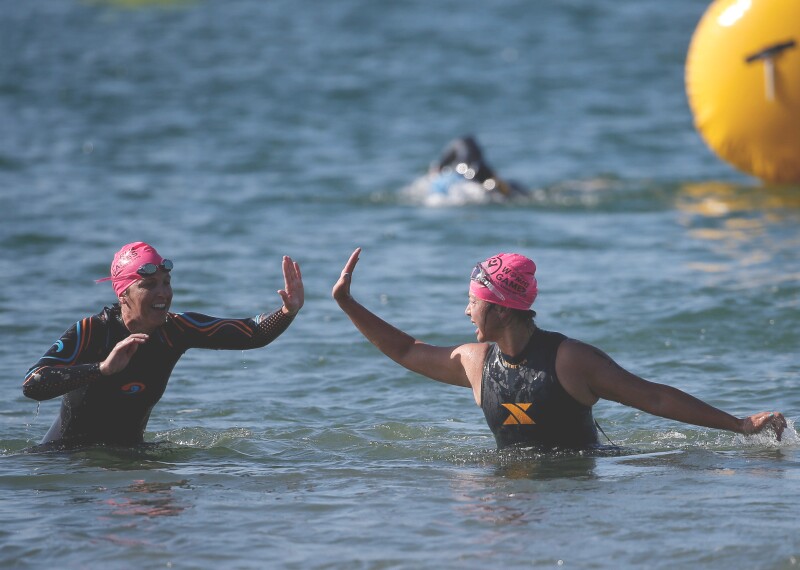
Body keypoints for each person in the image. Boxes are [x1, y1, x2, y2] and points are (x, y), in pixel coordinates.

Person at [332, 248, 786, 451]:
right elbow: (408, 351)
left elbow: (653, 397)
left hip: (573, 494)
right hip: (510, 491)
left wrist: (739, 425)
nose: (466, 311)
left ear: (504, 310)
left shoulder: (570, 360)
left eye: (474, 301)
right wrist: (348, 304)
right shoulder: (475, 363)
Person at [23, 241, 304, 448]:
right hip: (67, 463)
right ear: (123, 294)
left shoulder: (175, 329)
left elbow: (252, 333)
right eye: (149, 285)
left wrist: (287, 311)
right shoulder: (92, 331)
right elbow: (33, 383)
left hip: (130, 457)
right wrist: (101, 369)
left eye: (166, 282)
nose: (163, 293)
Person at [428, 135, 526, 198]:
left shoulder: (457, 148)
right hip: (477, 169)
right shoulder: (466, 147)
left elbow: (442, 164)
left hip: (469, 171)